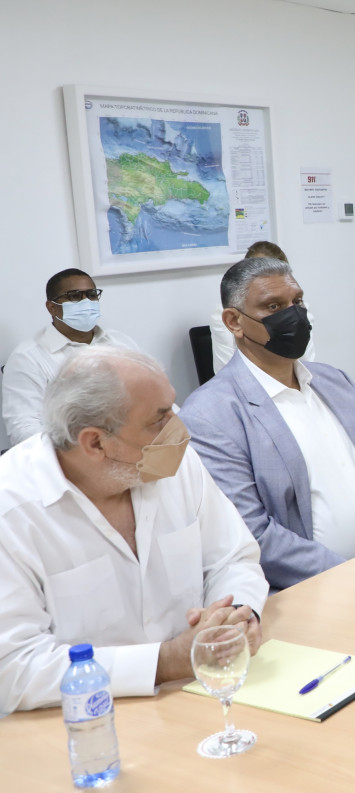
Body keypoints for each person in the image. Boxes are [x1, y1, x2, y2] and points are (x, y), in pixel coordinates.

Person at [0, 346, 268, 714]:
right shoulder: (12, 512)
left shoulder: (170, 463)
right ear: (95, 442)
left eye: (172, 407)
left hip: (201, 693)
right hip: (88, 721)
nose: (179, 427)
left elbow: (233, 557)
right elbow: (13, 668)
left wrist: (233, 617)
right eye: (159, 419)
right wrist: (165, 661)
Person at [181, 257, 355, 590]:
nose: (293, 315)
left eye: (297, 302)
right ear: (234, 321)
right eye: (273, 306)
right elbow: (252, 531)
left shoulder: (335, 381)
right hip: (310, 592)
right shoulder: (209, 415)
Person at [3, 268, 139, 445]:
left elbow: (153, 397)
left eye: (91, 294)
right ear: (52, 307)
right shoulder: (27, 358)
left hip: (134, 445)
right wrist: (78, 453)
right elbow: (24, 428)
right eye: (74, 296)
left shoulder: (120, 343)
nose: (86, 302)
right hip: (71, 452)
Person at [209, 241, 316, 373]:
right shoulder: (228, 316)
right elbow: (225, 372)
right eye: (273, 306)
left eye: (297, 301)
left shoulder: (300, 311)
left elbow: (307, 366)